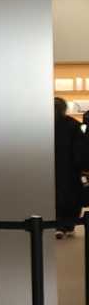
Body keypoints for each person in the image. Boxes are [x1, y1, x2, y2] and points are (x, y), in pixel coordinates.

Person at [55, 98, 83, 240]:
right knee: (71, 196)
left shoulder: (42, 124)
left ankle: (56, 225)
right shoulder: (72, 125)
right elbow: (80, 150)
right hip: (69, 170)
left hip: (49, 169)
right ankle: (68, 225)